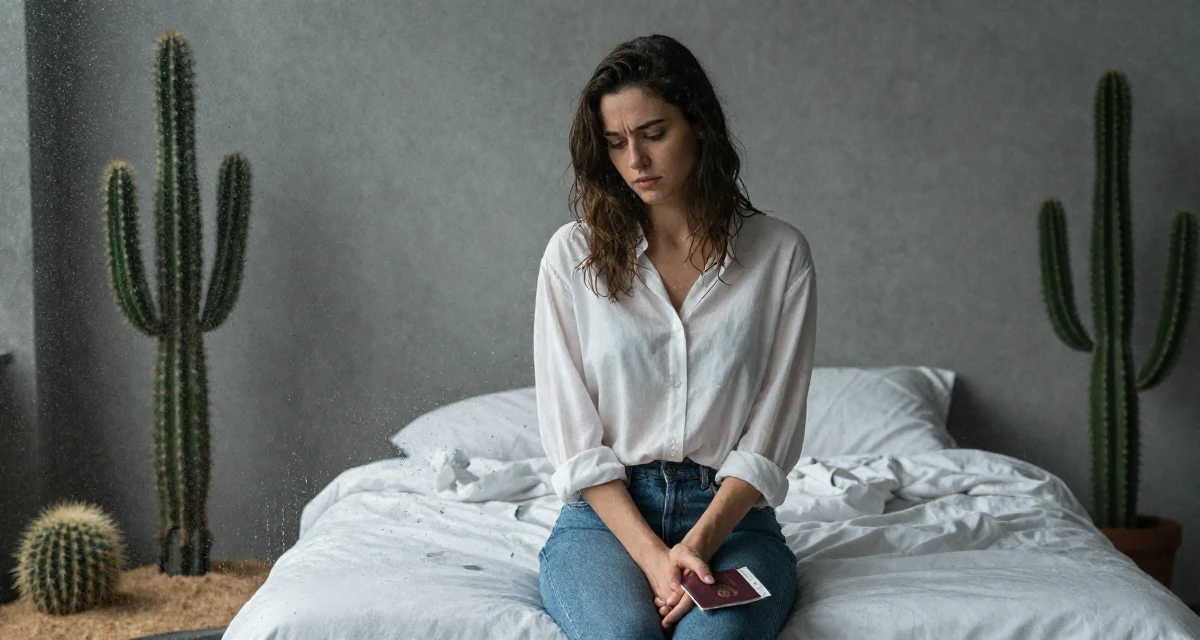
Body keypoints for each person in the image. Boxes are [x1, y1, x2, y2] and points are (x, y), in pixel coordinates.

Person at [534, 33, 817, 640]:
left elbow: (771, 432)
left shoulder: (779, 255)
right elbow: (572, 434)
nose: (634, 159)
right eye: (615, 143)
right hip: (605, 521)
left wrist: (696, 542)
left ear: (699, 126)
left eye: (653, 134)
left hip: (733, 520)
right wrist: (656, 560)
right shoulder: (572, 256)